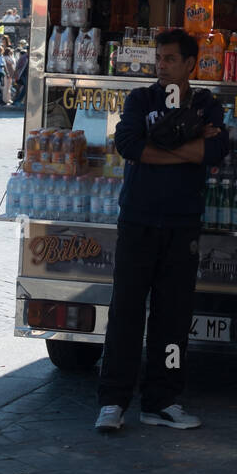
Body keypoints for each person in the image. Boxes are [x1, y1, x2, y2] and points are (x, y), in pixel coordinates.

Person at [95, 28, 228, 433]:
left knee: (173, 319)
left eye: (170, 59)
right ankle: (113, 403)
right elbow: (128, 144)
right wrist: (187, 148)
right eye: (159, 58)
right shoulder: (141, 99)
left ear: (190, 64)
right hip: (137, 220)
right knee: (125, 313)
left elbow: (216, 152)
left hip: (182, 223)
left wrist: (161, 148)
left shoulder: (207, 105)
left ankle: (162, 401)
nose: (162, 65)